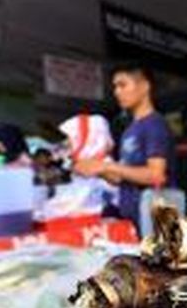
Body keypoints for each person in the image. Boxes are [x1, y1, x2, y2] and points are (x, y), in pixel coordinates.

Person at [74, 63, 174, 226]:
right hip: (133, 216)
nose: (117, 92)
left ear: (144, 86)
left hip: (154, 220)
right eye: (115, 87)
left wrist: (106, 166)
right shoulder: (129, 130)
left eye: (123, 85)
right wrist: (95, 169)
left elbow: (156, 175)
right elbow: (122, 178)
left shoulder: (155, 124)